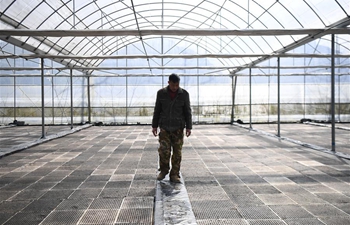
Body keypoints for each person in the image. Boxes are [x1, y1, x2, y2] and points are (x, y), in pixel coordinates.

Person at [152, 73, 192, 183]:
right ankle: (164, 170)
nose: (174, 88)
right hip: (164, 127)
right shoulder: (161, 94)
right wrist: (154, 125)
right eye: (173, 85)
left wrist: (189, 127)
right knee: (164, 151)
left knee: (177, 152)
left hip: (178, 128)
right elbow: (157, 110)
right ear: (168, 82)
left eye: (177, 85)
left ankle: (174, 174)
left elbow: (187, 111)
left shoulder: (184, 94)